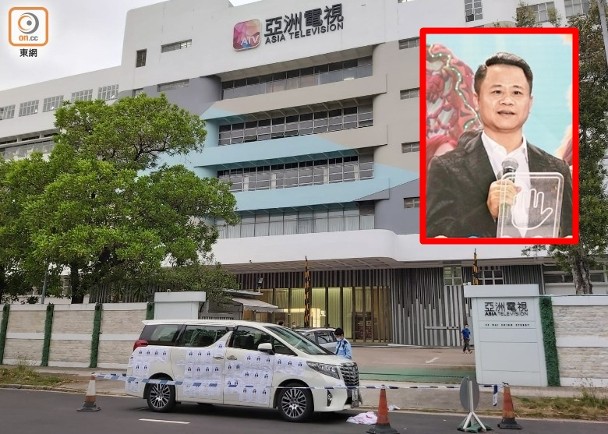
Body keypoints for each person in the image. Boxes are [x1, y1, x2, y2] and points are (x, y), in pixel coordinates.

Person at [426, 51, 573, 238]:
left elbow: (571, 232)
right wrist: (486, 212)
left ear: (530, 103)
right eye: (497, 92)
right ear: (477, 100)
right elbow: (435, 234)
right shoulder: (446, 168)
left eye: (517, 92)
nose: (507, 101)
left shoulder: (557, 169)